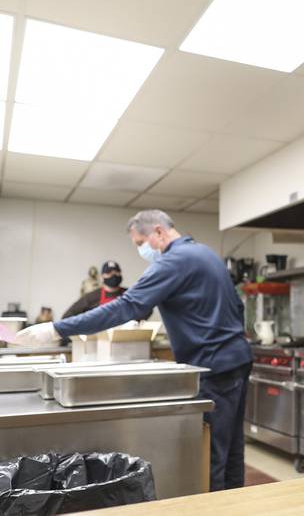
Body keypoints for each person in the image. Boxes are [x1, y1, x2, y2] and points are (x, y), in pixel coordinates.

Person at [16, 210, 253, 491]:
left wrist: (57, 329)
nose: (141, 249)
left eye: (140, 242)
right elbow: (235, 307)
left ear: (158, 233)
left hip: (214, 366)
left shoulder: (173, 261)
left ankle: (215, 508)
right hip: (238, 358)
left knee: (212, 452)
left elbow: (126, 305)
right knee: (232, 448)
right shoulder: (206, 254)